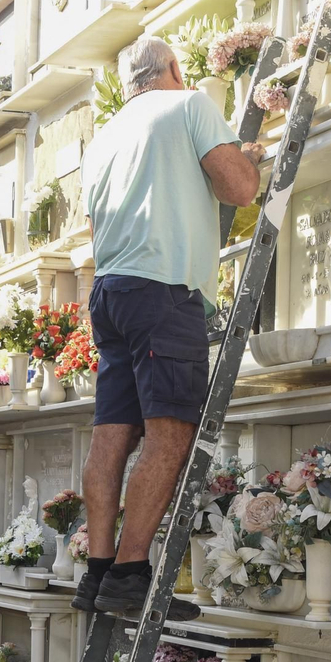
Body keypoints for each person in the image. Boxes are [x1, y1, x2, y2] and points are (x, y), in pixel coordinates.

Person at [73, 35, 265, 616]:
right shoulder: (190, 104)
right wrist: (248, 159)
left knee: (112, 434)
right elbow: (239, 189)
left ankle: (97, 574)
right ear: (175, 68)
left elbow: (95, 228)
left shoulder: (103, 138)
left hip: (111, 291)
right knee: (171, 433)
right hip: (164, 290)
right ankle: (130, 575)